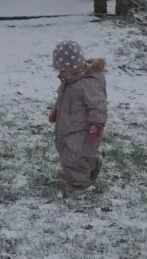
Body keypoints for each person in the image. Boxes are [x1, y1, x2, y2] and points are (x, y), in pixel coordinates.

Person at [49, 40, 107, 193]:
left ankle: (78, 185)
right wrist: (56, 110)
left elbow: (98, 105)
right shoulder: (69, 81)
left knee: (74, 157)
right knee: (70, 153)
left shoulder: (88, 84)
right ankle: (92, 164)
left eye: (62, 70)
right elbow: (62, 98)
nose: (59, 75)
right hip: (68, 127)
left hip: (82, 131)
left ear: (73, 69)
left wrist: (96, 123)